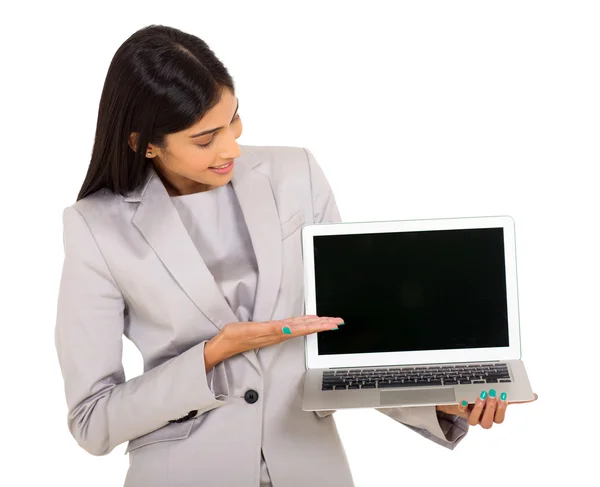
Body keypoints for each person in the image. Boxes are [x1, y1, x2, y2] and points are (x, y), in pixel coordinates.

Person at [55, 24, 536, 487]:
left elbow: (347, 343)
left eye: (234, 120)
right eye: (205, 139)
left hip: (311, 467)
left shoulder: (294, 173)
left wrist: (443, 402)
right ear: (145, 145)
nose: (231, 148)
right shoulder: (95, 227)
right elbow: (92, 419)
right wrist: (215, 353)